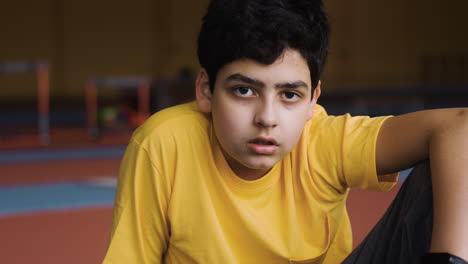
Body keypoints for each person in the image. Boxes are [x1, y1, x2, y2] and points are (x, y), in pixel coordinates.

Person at [102, 0, 468, 263]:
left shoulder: (322, 142)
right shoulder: (164, 143)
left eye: (290, 95)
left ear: (313, 100)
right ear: (206, 91)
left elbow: (459, 127)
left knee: (446, 169)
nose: (267, 117)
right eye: (244, 90)